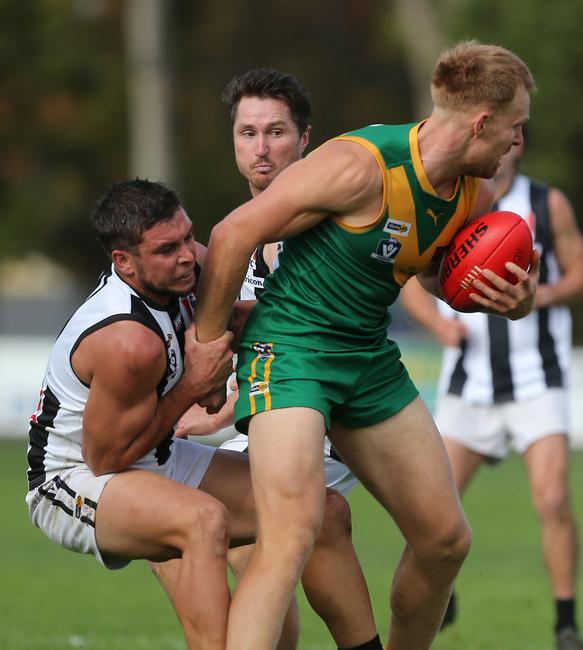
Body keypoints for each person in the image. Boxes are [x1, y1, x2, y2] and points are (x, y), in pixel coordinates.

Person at [196, 40, 540, 650]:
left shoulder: (472, 194)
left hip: (367, 357)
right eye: (514, 128)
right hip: (292, 349)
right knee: (292, 534)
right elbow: (230, 236)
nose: (517, 143)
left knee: (444, 541)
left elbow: (439, 275)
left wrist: (513, 300)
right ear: (481, 123)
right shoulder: (361, 164)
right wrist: (205, 348)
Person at [24, 179, 380, 650]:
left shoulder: (193, 269)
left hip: (155, 455)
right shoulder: (127, 342)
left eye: (188, 237)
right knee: (203, 521)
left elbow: (248, 316)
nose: (188, 255)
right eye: (166, 249)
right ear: (124, 262)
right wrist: (193, 385)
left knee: (322, 510)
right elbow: (107, 458)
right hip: (73, 479)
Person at [175, 68, 369, 650]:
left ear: (305, 138)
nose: (261, 149)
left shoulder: (326, 220)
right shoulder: (247, 230)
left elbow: (311, 338)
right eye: (247, 133)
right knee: (257, 545)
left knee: (277, 535)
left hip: (322, 411)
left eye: (276, 132)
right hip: (272, 406)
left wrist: (221, 408)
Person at [401, 135, 583, 650]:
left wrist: (536, 294)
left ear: (522, 146)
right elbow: (408, 281)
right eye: (494, 139)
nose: (502, 148)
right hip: (468, 382)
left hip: (538, 378)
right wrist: (436, 324)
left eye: (513, 139)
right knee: (430, 508)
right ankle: (446, 596)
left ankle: (565, 625)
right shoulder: (452, 201)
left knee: (552, 498)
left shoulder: (545, 203)